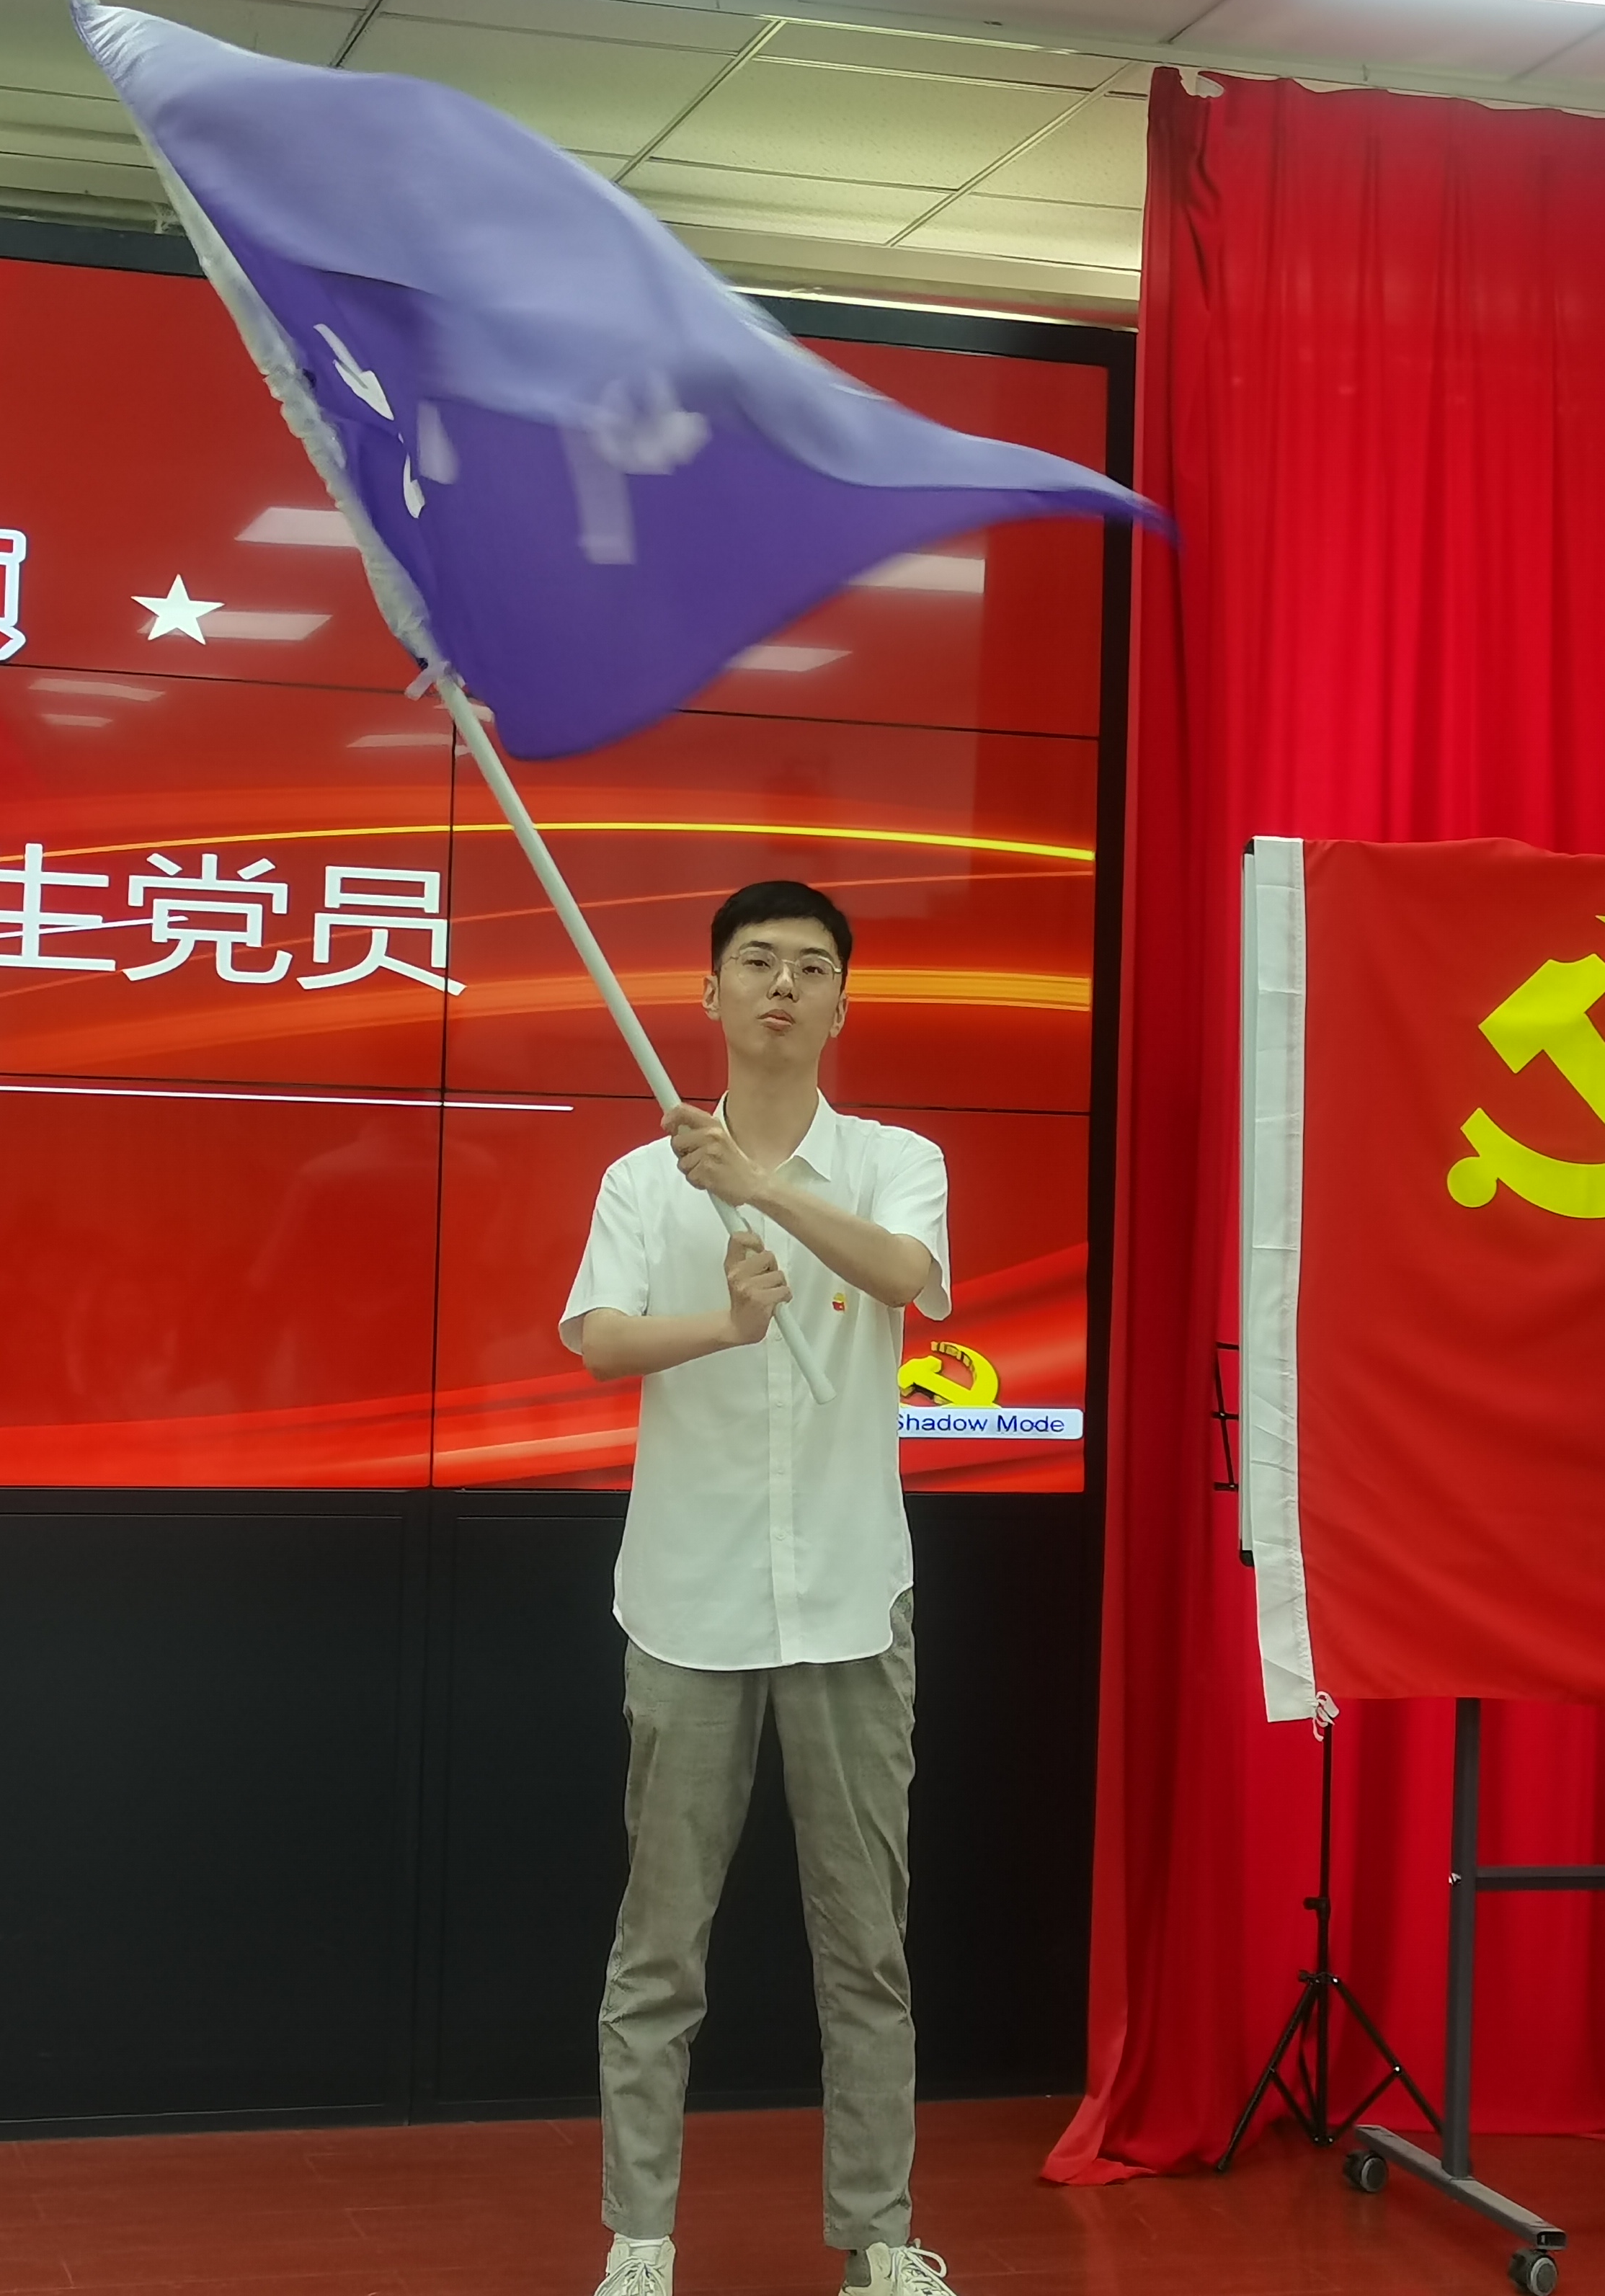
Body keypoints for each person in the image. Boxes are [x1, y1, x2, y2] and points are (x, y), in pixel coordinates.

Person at [559, 879, 956, 2296]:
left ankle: (881, 2243)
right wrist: (726, 1325)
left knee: (866, 1953)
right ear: (711, 994)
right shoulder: (639, 1179)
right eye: (757, 962)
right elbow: (597, 1341)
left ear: (842, 1004)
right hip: (690, 1602)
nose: (783, 985)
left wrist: (765, 1186)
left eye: (811, 967)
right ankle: (640, 2240)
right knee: (659, 1950)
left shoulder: (896, 1160)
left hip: (851, 1600)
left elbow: (909, 1275)